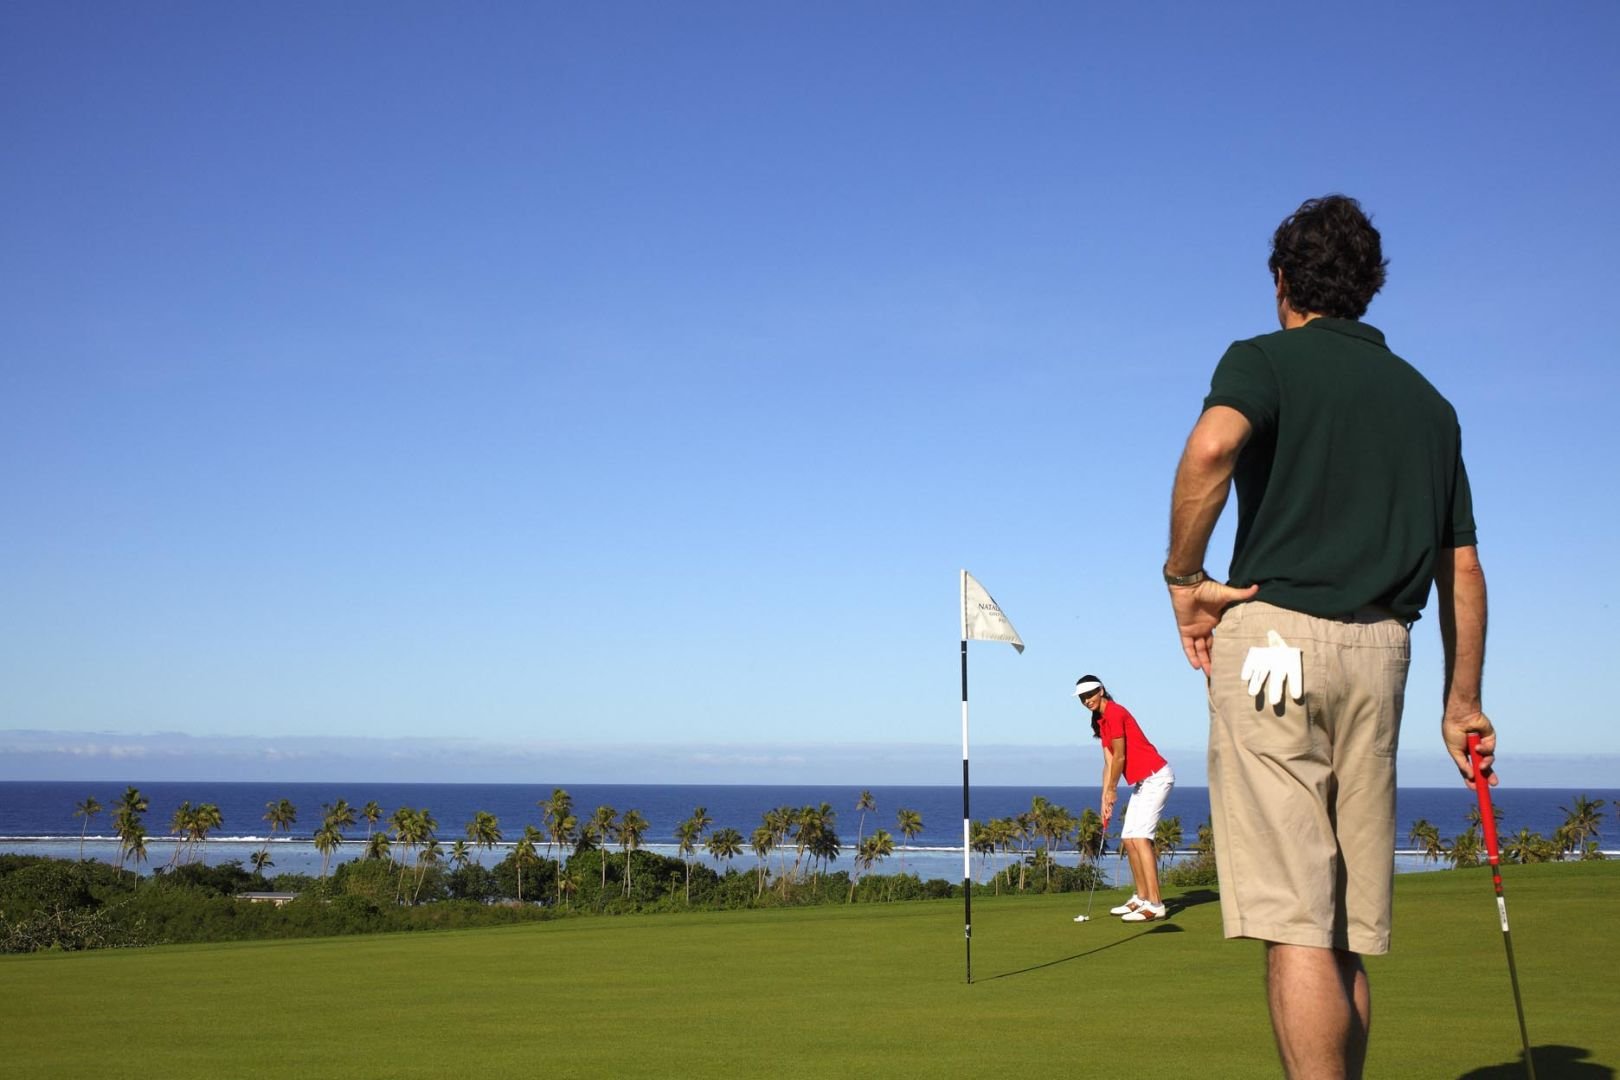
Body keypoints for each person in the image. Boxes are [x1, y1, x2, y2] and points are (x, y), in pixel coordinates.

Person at [1164, 194, 1495, 1080]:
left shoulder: (1263, 360)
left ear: (1282, 281)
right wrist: (1461, 703)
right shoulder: (1431, 405)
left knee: (1296, 921)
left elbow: (1209, 451)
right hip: (1385, 652)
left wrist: (1184, 579)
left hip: (1275, 646)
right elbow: (1459, 568)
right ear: (1369, 287)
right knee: (1341, 927)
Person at [1073, 674, 1175, 922]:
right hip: (1143, 782)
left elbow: (1120, 757)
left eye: (1090, 694)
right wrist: (1103, 798)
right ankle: (1141, 898)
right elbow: (1108, 761)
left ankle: (1156, 903)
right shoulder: (1100, 720)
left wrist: (1113, 790)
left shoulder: (1116, 712)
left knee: (1141, 838)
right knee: (1129, 839)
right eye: (1082, 698)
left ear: (1101, 690)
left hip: (1156, 776)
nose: (1087, 700)